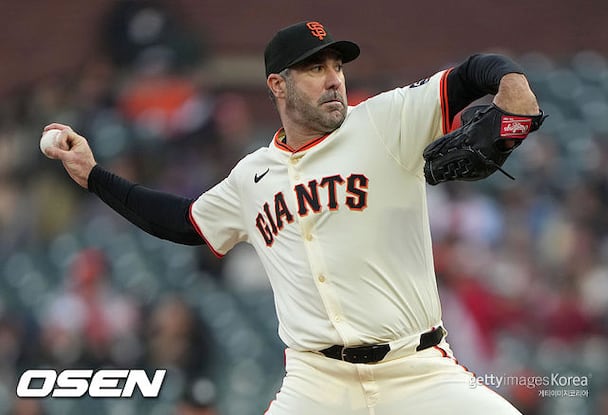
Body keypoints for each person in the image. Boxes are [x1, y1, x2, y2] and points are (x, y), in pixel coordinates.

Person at [43, 20, 542, 415]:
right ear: (278, 85)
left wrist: (514, 87)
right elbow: (182, 222)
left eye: (337, 66)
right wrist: (94, 177)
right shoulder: (252, 177)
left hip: (417, 370)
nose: (333, 78)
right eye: (315, 68)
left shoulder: (385, 120)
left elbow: (474, 72)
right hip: (317, 383)